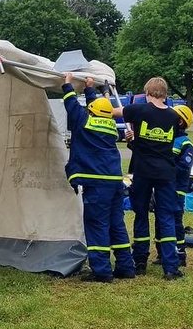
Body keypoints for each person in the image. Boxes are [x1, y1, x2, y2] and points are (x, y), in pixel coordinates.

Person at [61, 74, 135, 282]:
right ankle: (125, 267)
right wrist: (89, 89)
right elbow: (97, 107)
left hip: (97, 184)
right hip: (114, 182)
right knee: (116, 224)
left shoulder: (85, 122)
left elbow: (72, 107)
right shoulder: (110, 127)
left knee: (96, 225)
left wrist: (67, 85)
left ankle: (102, 271)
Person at [116, 77, 183, 280]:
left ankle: (140, 261)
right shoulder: (173, 116)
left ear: (147, 93)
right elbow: (157, 144)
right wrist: (134, 141)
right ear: (164, 94)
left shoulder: (140, 110)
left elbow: (113, 112)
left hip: (143, 171)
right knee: (166, 217)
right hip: (165, 172)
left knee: (141, 214)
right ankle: (171, 267)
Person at [168, 105, 193, 266]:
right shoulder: (169, 138)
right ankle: (164, 251)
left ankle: (180, 254)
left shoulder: (186, 144)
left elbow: (183, 167)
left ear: (180, 122)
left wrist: (164, 170)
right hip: (164, 187)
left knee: (175, 221)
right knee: (162, 220)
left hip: (177, 189)